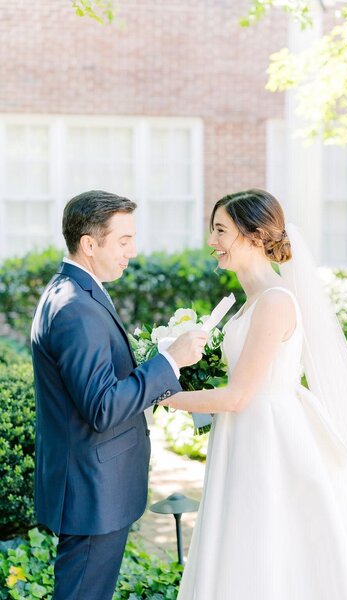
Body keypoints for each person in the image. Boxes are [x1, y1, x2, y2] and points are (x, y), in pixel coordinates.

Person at [162, 189, 347, 599]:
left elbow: (238, 397)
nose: (212, 242)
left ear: (254, 236)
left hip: (270, 437)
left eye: (221, 230)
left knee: (273, 542)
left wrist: (160, 394)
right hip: (248, 431)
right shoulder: (248, 303)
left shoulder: (274, 302)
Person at [31, 190, 208, 600]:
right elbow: (103, 407)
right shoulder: (74, 306)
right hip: (93, 490)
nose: (133, 250)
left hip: (94, 484)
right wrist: (169, 362)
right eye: (124, 240)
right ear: (89, 244)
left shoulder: (75, 291)